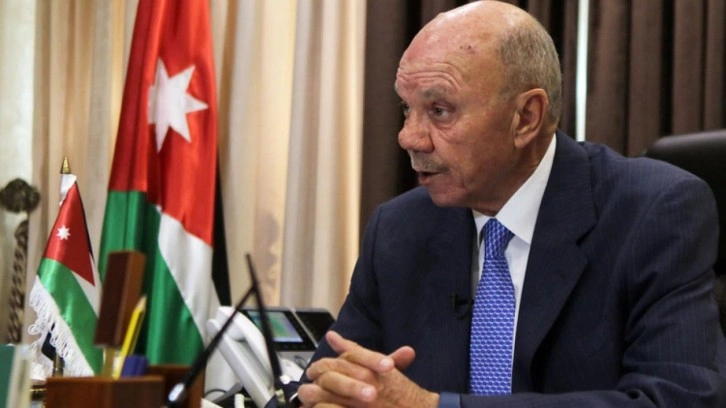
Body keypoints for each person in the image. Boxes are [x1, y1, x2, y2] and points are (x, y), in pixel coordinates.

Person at [296, 1, 726, 406]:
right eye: (407, 108)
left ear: (526, 118)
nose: (408, 137)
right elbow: (324, 385)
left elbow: (678, 398)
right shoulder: (398, 229)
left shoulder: (654, 212)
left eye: (440, 110)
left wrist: (432, 406)